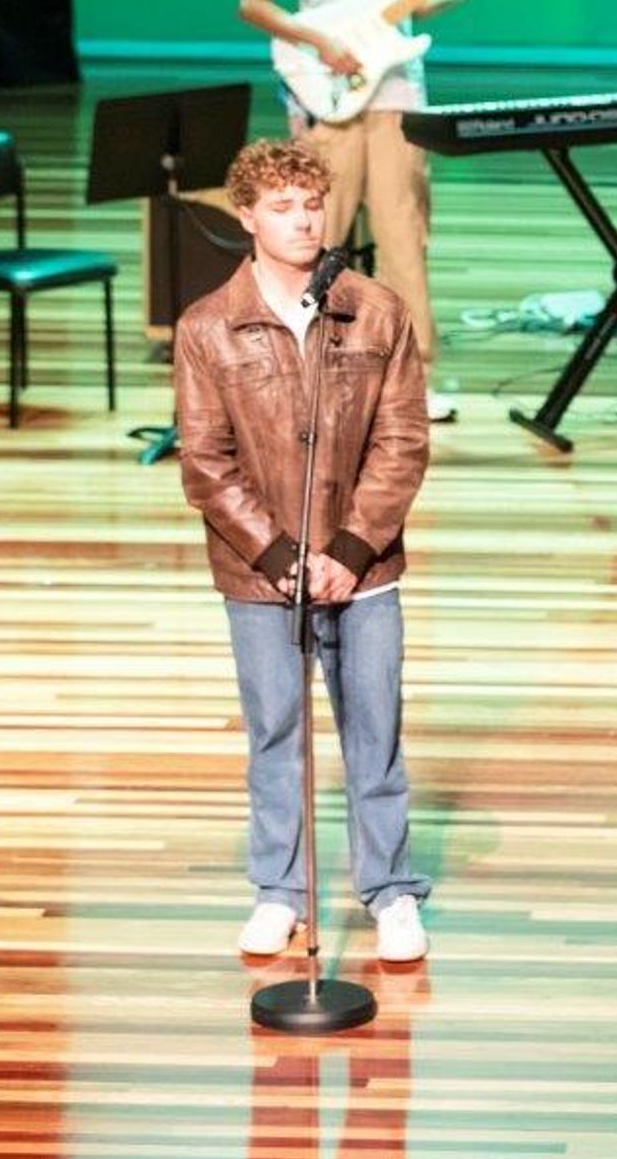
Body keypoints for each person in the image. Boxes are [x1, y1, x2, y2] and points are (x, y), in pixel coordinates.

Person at [174, 139, 433, 962]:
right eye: (282, 207)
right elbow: (205, 463)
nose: (303, 221)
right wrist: (281, 556)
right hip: (261, 575)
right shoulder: (207, 326)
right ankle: (279, 892)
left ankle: (390, 889)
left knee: (375, 731)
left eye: (312, 204)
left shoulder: (376, 312)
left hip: (364, 568)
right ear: (246, 217)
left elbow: (402, 441)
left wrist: (349, 550)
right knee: (276, 732)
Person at [236, 0, 485, 411]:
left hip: (397, 87)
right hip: (330, 89)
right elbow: (254, 3)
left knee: (405, 235)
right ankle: (295, 374)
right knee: (313, 236)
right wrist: (318, 40)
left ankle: (411, 382)